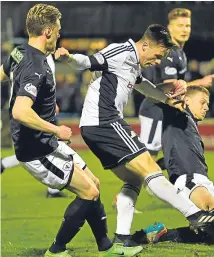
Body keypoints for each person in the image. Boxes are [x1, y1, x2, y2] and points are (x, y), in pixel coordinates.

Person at [55, 23, 214, 247]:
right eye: (157, 56)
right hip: (105, 121)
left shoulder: (134, 65)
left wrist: (166, 98)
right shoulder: (121, 52)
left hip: (96, 125)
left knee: (135, 178)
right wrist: (68, 58)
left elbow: (143, 86)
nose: (157, 62)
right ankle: (195, 216)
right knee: (152, 169)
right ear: (145, 45)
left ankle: (121, 239)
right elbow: (88, 62)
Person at [0, 4, 143, 257]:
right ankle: (56, 250)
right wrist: (55, 129)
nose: (59, 35)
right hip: (37, 150)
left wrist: (42, 104)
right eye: (57, 30)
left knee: (94, 184)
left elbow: (4, 74)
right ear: (47, 31)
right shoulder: (36, 66)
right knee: (88, 192)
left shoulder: (19, 53)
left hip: (45, 142)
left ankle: (106, 247)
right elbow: (20, 111)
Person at [131, 86, 214, 252]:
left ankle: (162, 234)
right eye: (202, 102)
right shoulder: (178, 114)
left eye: (207, 103)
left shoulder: (189, 124)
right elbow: (154, 95)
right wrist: (172, 90)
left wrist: (160, 164)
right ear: (187, 101)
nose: (207, 107)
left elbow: (177, 153)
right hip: (189, 179)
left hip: (202, 180)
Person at [138, 8, 214, 169]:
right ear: (170, 28)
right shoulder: (170, 52)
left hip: (168, 110)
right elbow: (172, 87)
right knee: (148, 161)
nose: (184, 29)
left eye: (187, 26)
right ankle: (127, 194)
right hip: (154, 111)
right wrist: (201, 82)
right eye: (180, 25)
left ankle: (173, 187)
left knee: (177, 153)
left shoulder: (180, 53)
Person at [1, 54, 67, 198]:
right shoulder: (32, 57)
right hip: (33, 111)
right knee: (42, 149)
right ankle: (53, 189)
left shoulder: (27, 54)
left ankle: (4, 164)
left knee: (39, 149)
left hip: (37, 110)